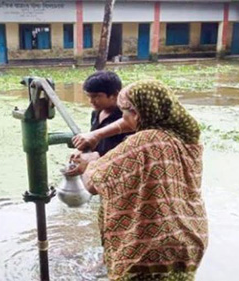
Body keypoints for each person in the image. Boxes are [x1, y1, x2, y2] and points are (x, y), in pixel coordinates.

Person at [66, 80, 208, 281]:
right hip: (189, 239)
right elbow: (129, 122)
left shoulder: (144, 142)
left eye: (125, 112)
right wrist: (96, 134)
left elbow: (93, 183)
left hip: (149, 248)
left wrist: (90, 162)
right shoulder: (187, 137)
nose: (123, 117)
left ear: (138, 114)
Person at [73, 70, 131, 158]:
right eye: (89, 96)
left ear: (114, 95)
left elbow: (128, 154)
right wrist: (82, 150)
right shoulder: (96, 113)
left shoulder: (127, 117)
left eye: (96, 96)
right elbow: (94, 140)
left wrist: (97, 158)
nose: (91, 101)